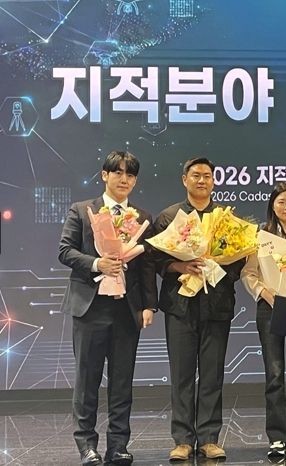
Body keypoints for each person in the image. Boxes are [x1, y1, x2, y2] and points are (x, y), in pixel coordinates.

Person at [58, 150, 157, 466]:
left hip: (126, 309)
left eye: (130, 174)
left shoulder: (142, 217)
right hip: (90, 307)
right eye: (118, 172)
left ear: (135, 181)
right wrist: (97, 263)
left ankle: (118, 445)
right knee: (87, 379)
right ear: (105, 175)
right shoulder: (83, 210)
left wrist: (149, 305)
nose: (124, 179)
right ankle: (87, 445)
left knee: (122, 381)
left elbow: (146, 266)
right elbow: (65, 251)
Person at [153, 157, 245, 462]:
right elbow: (155, 260)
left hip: (217, 306)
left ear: (214, 181)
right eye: (196, 175)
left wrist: (214, 266)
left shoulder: (226, 221)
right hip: (180, 306)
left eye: (207, 176)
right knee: (181, 374)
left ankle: (208, 438)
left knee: (212, 373)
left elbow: (239, 262)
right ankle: (182, 440)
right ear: (185, 180)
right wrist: (180, 265)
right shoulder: (170, 217)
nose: (202, 180)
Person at [241, 182, 286, 461]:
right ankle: (277, 437)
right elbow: (249, 273)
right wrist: (264, 293)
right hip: (269, 308)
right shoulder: (260, 237)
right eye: (281, 201)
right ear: (272, 205)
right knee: (274, 374)